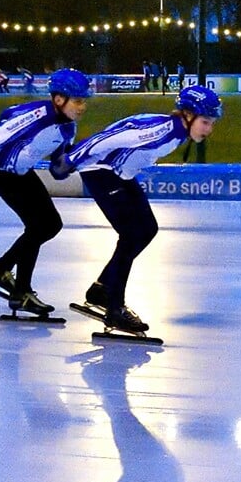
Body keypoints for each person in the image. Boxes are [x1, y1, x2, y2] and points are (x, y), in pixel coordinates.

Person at [59, 83, 221, 334]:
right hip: (101, 172)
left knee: (147, 229)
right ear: (188, 115)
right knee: (132, 233)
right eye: (206, 122)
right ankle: (115, 308)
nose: (209, 130)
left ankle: (102, 289)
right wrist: (70, 160)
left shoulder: (175, 131)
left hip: (120, 174)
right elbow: (107, 138)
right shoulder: (160, 131)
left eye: (211, 124)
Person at [0, 68, 92, 315]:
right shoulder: (33, 117)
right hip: (0, 172)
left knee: (50, 225)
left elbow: (57, 170)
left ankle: (1, 271)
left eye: (83, 101)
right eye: (78, 101)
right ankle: (19, 290)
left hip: (22, 172)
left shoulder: (68, 128)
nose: (82, 107)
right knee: (39, 226)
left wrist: (76, 160)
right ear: (59, 99)